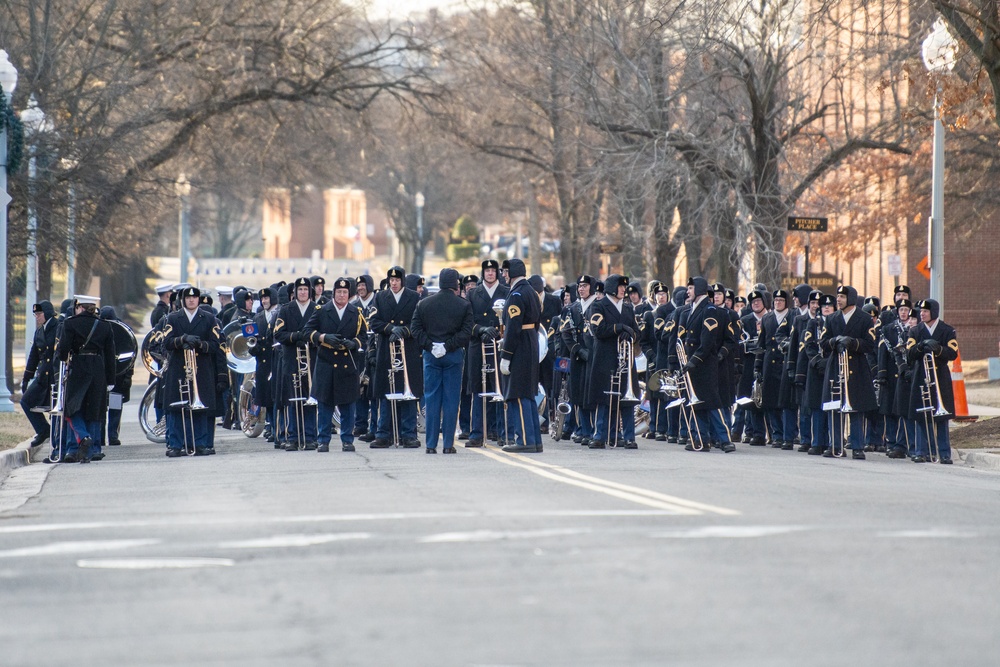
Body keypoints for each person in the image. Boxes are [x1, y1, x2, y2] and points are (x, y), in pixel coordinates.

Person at [411, 268, 474, 453]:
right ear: (456, 284)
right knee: (451, 400)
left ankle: (430, 445)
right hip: (453, 355)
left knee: (431, 400)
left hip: (431, 356)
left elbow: (415, 329)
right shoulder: (463, 305)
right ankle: (448, 444)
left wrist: (431, 346)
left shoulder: (424, 304)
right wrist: (448, 346)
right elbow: (466, 332)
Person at [303, 277, 367, 452]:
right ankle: (323, 440)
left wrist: (354, 343)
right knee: (325, 405)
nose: (341, 295)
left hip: (347, 364)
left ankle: (347, 439)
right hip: (327, 362)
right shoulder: (323, 310)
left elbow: (364, 337)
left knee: (348, 405)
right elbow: (307, 331)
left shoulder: (356, 312)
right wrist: (323, 337)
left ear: (349, 294)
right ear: (334, 293)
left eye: (345, 292)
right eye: (339, 292)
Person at [161, 287, 226, 457]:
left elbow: (215, 345)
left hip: (201, 368)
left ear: (198, 299)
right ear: (183, 300)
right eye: (188, 298)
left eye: (194, 297)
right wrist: (181, 340)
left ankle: (200, 443)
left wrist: (200, 345)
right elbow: (166, 342)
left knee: (200, 408)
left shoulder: (209, 319)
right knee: (177, 407)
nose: (191, 300)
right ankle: (176, 444)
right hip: (179, 369)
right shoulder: (173, 318)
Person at [818, 285, 878, 459]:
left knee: (856, 408)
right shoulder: (831, 319)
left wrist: (852, 342)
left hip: (857, 367)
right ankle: (835, 445)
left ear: (851, 299)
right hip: (836, 366)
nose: (838, 300)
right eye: (838, 296)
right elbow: (823, 341)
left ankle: (858, 446)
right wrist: (835, 341)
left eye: (842, 297)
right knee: (834, 407)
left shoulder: (865, 318)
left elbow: (869, 343)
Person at [369, 267, 423, 449]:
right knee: (386, 391)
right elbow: (373, 321)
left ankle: (408, 434)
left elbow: (418, 322)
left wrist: (404, 331)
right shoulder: (380, 297)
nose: (393, 283)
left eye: (397, 280)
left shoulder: (414, 297)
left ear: (403, 281)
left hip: (407, 349)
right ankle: (384, 434)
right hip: (387, 349)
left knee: (408, 394)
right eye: (391, 280)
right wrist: (390, 329)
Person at [57, 296, 116, 463]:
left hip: (78, 367)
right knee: (94, 410)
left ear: (79, 307)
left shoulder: (70, 323)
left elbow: (63, 351)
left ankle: (82, 438)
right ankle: (92, 450)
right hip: (98, 368)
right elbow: (110, 355)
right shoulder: (105, 326)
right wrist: (111, 379)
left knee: (72, 408)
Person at [680, 278, 736, 453]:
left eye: (690, 288)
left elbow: (707, 341)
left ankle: (725, 439)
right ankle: (701, 439)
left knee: (712, 403)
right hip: (694, 365)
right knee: (698, 403)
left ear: (699, 289)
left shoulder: (709, 310)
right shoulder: (692, 309)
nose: (688, 291)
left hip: (704, 364)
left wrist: (694, 360)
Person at [586, 275, 640, 449]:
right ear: (611, 288)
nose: (624, 290)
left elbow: (638, 332)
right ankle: (600, 435)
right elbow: (598, 329)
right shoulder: (598, 305)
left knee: (627, 399)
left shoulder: (628, 308)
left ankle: (629, 436)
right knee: (604, 399)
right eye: (620, 287)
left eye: (625, 287)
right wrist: (619, 328)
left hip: (624, 360)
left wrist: (630, 333)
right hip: (605, 359)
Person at [498, 259, 543, 452]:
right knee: (529, 395)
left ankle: (524, 439)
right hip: (530, 342)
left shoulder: (516, 294)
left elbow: (514, 327)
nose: (504, 275)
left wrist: (506, 354)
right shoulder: (531, 291)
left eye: (506, 271)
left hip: (520, 347)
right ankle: (535, 439)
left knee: (518, 395)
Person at [905, 298, 958, 464]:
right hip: (921, 374)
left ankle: (944, 453)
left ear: (934, 312)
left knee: (941, 418)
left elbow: (953, 353)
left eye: (925, 311)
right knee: (922, 415)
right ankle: (921, 451)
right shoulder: (915, 331)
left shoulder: (947, 330)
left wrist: (938, 349)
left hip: (940, 376)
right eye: (921, 311)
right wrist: (921, 347)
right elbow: (909, 354)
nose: (922, 314)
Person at [465, 260, 510, 448]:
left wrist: (499, 331)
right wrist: (482, 329)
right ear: (483, 273)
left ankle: (502, 432)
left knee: (500, 390)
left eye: (493, 271)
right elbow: (467, 322)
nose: (490, 274)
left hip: (499, 346)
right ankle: (476, 433)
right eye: (487, 271)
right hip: (479, 345)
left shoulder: (506, 292)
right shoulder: (473, 293)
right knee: (478, 390)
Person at [274, 277, 320, 450]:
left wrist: (310, 338)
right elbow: (278, 334)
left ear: (310, 292)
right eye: (299, 290)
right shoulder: (286, 309)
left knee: (310, 399)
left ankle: (310, 436)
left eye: (305, 289)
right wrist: (296, 337)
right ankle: (292, 436)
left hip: (312, 360)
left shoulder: (317, 309)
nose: (302, 292)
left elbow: (322, 332)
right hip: (292, 359)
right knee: (293, 399)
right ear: (294, 293)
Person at [21, 301, 58, 448]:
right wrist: (26, 377)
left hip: (55, 376)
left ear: (48, 313)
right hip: (43, 376)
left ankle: (56, 444)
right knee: (26, 401)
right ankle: (43, 430)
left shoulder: (58, 327)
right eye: (35, 314)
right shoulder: (39, 331)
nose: (37, 317)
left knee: (56, 410)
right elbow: (34, 355)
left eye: (39, 314)